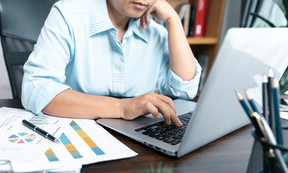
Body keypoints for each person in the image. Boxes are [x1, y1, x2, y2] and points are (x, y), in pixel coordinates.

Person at [22, 0, 201, 126]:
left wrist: (173, 20)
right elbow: (37, 88)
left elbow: (184, 89)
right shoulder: (68, 15)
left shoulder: (155, 31)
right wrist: (122, 108)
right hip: (74, 131)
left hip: (134, 138)